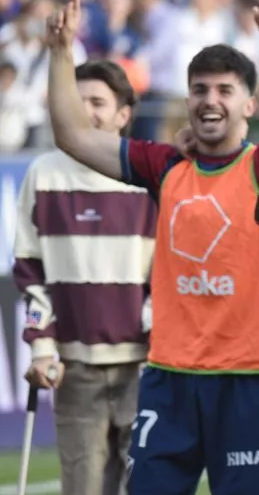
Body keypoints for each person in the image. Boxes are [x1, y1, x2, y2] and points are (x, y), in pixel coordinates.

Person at [44, 0, 259, 495]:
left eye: (224, 90)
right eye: (199, 90)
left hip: (253, 379)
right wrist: (60, 53)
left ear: (250, 104)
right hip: (170, 380)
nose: (209, 101)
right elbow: (74, 137)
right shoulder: (164, 166)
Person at [13, 59, 155, 495]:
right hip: (73, 370)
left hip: (145, 367)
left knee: (145, 486)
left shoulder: (150, 173)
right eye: (78, 102)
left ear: (123, 114)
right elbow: (30, 268)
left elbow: (169, 272)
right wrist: (42, 346)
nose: (86, 111)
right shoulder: (43, 173)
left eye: (98, 102)